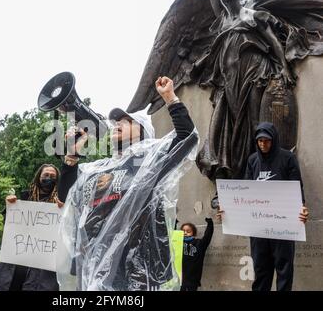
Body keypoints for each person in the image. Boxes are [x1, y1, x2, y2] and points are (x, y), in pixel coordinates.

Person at [57, 76, 199, 291]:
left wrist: (170, 98)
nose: (117, 125)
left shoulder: (151, 162)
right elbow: (66, 195)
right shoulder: (100, 168)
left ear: (143, 131)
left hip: (137, 269)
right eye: (115, 122)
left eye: (126, 121)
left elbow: (187, 138)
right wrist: (72, 156)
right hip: (94, 266)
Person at [217, 122, 309, 291]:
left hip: (283, 227)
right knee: (260, 270)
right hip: (259, 228)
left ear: (273, 139)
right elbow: (245, 192)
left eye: (266, 140)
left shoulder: (287, 158)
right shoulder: (252, 160)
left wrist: (302, 208)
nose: (263, 144)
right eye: (259, 141)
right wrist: (228, 211)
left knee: (284, 269)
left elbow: (297, 187)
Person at [0, 164, 63, 291]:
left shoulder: (61, 203)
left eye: (53, 176)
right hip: (17, 263)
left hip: (43, 267)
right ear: (38, 177)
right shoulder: (24, 198)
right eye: (45, 175)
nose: (49, 178)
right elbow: (9, 227)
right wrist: (10, 207)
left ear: (57, 180)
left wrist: (64, 209)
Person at [179, 218, 214, 291]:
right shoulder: (177, 244)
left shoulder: (199, 243)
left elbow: (207, 237)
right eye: (183, 231)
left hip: (193, 280)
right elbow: (169, 235)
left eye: (188, 231)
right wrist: (173, 223)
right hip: (179, 279)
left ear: (193, 233)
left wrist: (210, 223)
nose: (185, 233)